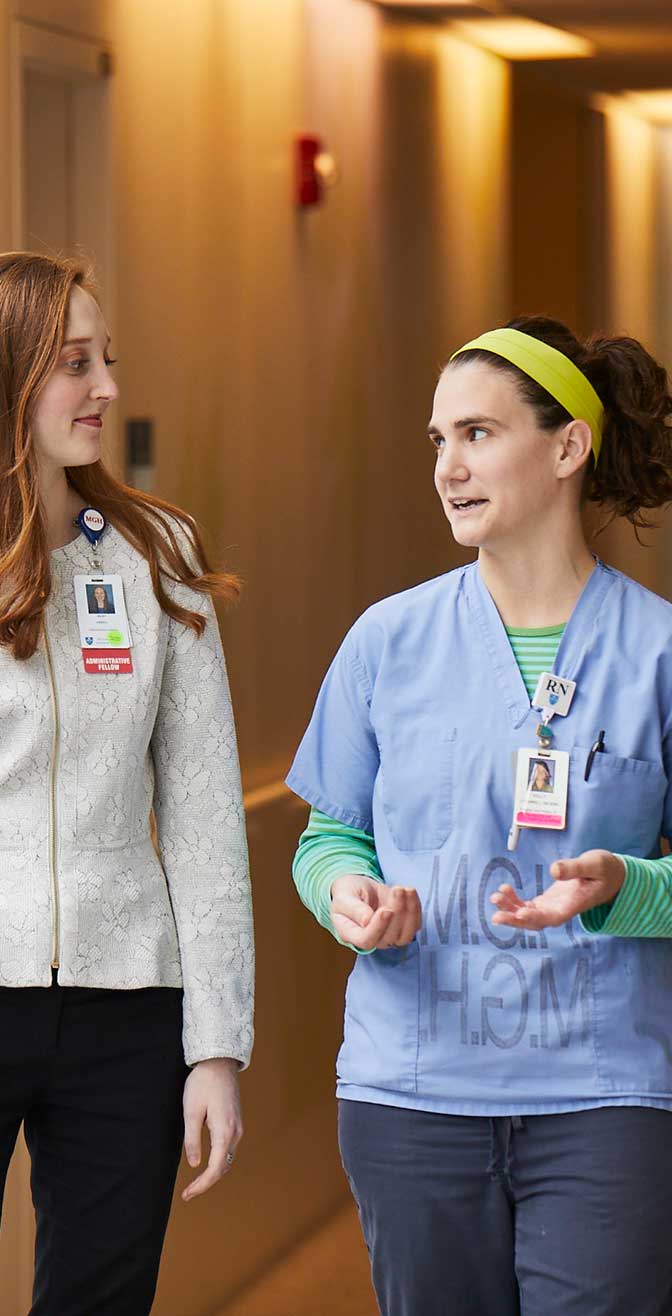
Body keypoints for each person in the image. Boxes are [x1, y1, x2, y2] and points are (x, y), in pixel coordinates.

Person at [0, 251, 254, 1316]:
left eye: (107, 359)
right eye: (75, 363)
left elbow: (204, 815)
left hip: (126, 1008)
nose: (108, 389)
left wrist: (216, 1044)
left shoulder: (155, 555)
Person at [286, 316, 672, 1316]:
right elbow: (330, 832)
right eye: (436, 440)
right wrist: (346, 894)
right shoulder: (386, 640)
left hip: (603, 1090)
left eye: (475, 433)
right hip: (409, 1088)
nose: (447, 467)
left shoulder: (657, 651)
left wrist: (625, 887)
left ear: (565, 446)